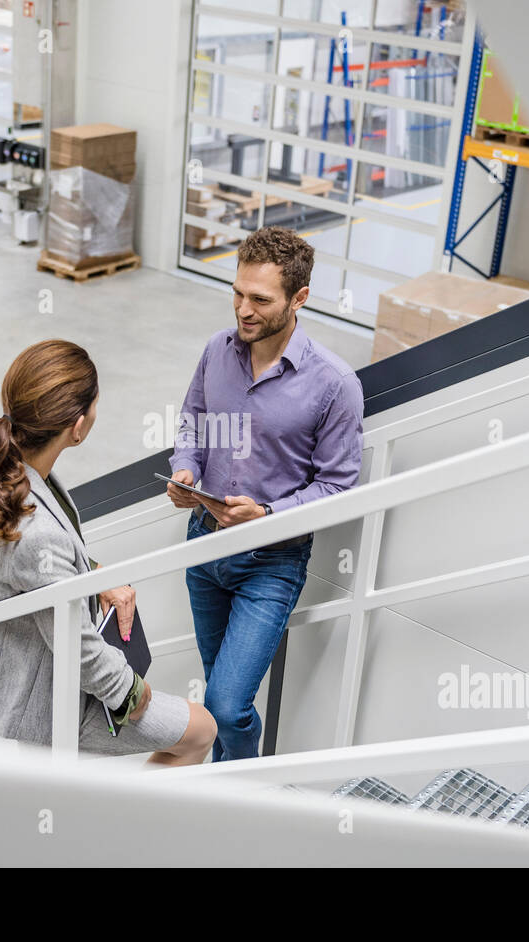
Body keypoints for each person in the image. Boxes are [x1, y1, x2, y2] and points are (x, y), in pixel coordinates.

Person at [0, 339, 216, 764]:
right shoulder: (35, 529)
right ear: (77, 427)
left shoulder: (4, 471)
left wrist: (98, 580)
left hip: (37, 666)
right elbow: (77, 646)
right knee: (201, 730)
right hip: (51, 693)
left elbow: (34, 573)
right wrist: (133, 693)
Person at [167, 227, 365, 762]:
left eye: (260, 299)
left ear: (299, 299)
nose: (243, 310)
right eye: (237, 293)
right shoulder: (217, 349)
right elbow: (193, 419)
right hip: (203, 544)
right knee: (213, 700)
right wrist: (185, 469)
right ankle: (223, 794)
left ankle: (243, 791)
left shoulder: (334, 384)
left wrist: (269, 513)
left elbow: (338, 486)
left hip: (270, 562)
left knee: (227, 705)